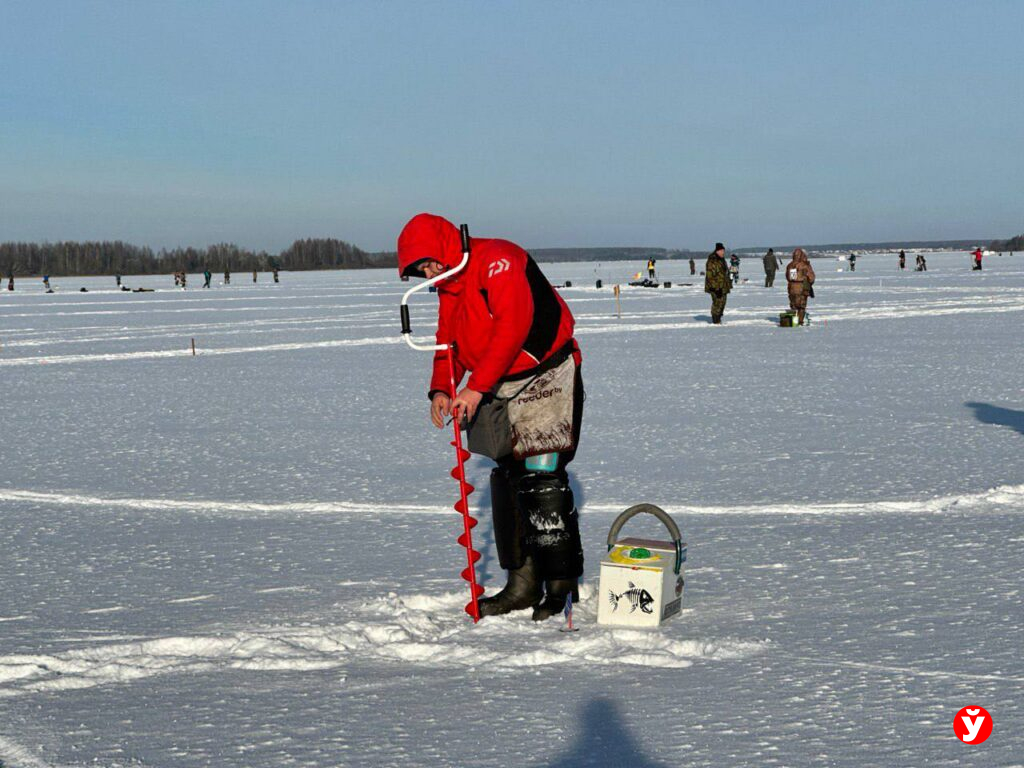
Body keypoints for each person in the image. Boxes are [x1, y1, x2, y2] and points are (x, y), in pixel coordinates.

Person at [397, 213, 584, 622]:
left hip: (546, 374)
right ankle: (521, 584)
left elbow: (513, 326)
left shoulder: (498, 259)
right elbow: (448, 342)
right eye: (421, 271)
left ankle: (560, 585)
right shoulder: (449, 288)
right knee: (509, 479)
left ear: (446, 246)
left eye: (430, 263)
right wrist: (443, 387)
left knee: (542, 477)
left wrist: (475, 387)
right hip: (496, 382)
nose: (429, 273)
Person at [785, 248, 816, 326]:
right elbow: (811, 277)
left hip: (791, 288)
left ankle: (792, 322)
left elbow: (789, 277)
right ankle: (800, 322)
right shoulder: (805, 265)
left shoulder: (790, 265)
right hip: (802, 288)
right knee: (801, 307)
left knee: (793, 305)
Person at [705, 243, 731, 324]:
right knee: (717, 303)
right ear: (717, 251)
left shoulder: (722, 260)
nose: (723, 252)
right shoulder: (712, 260)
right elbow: (710, 276)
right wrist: (715, 288)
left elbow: (724, 272)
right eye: (722, 251)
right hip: (715, 287)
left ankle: (718, 318)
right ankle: (715, 320)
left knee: (723, 302)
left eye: (724, 251)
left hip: (723, 286)